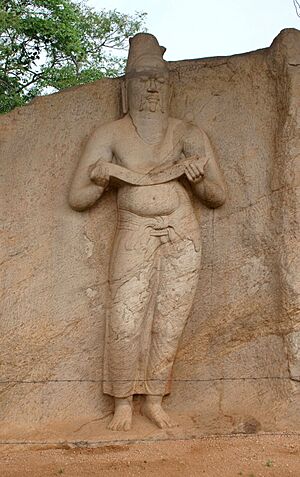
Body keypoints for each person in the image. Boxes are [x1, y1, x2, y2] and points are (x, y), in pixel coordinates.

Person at [69, 33, 226, 431]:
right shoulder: (110, 134)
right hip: (134, 230)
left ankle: (155, 398)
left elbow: (216, 195)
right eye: (142, 78)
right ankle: (123, 401)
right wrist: (102, 178)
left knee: (169, 319)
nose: (152, 87)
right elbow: (78, 197)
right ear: (127, 88)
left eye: (159, 78)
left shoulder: (188, 132)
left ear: (169, 86)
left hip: (181, 234)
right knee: (125, 318)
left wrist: (198, 178)